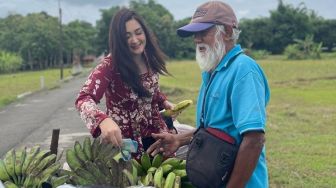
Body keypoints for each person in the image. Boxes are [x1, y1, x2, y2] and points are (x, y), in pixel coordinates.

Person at [147, 1, 270, 187]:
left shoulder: (243, 70)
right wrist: (178, 140)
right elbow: (213, 130)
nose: (197, 39)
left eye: (204, 32)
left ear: (228, 31)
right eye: (195, 34)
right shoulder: (212, 72)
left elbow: (254, 139)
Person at [75, 8, 176, 160]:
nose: (135, 40)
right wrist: (102, 120)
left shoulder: (148, 57)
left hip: (158, 139)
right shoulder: (109, 65)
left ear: (145, 32)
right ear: (118, 40)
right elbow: (83, 99)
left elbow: (151, 90)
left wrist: (163, 101)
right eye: (127, 36)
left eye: (138, 32)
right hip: (127, 147)